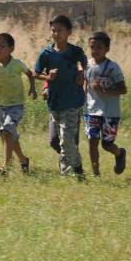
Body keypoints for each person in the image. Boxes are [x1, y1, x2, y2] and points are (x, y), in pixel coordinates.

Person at [34, 15, 88, 177]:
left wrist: (80, 74)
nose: (56, 34)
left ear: (69, 32)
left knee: (66, 139)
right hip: (54, 102)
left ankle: (66, 174)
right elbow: (35, 73)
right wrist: (47, 79)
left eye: (60, 30)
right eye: (53, 30)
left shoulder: (75, 52)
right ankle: (77, 165)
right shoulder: (47, 54)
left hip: (72, 101)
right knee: (54, 141)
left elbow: (84, 64)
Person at [0, 32, 36, 174]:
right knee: (9, 134)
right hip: (0, 105)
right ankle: (23, 160)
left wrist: (33, 88)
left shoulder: (17, 64)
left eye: (2, 46)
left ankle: (6, 165)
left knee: (7, 130)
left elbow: (29, 73)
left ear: (11, 48)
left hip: (16, 105)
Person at [84, 31, 128, 177]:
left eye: (99, 47)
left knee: (107, 144)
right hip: (91, 111)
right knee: (92, 140)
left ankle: (120, 153)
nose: (95, 51)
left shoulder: (112, 67)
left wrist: (103, 89)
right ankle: (96, 173)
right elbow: (84, 85)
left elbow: (123, 89)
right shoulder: (86, 65)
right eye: (92, 47)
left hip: (110, 112)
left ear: (107, 49)